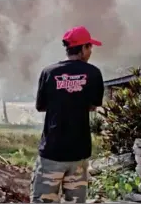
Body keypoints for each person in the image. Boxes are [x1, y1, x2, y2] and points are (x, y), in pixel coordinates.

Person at [31, 26, 105, 203]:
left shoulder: (49, 72)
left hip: (51, 152)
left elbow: (41, 106)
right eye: (90, 47)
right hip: (78, 154)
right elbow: (94, 105)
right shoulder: (93, 73)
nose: (91, 51)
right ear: (83, 48)